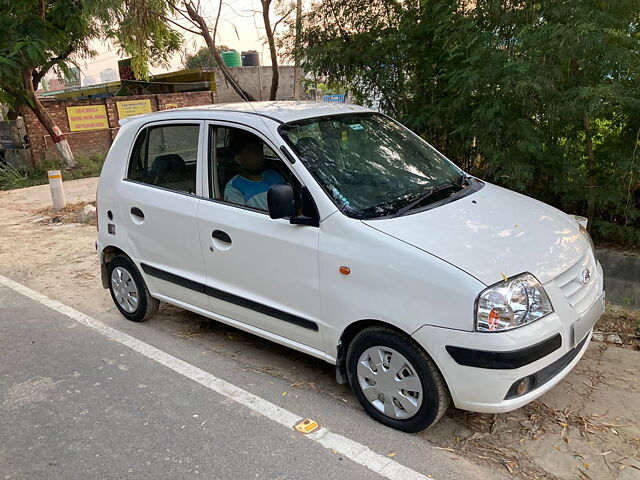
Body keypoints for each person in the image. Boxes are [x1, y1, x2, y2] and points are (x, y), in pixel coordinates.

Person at [224, 133, 284, 210]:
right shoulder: (234, 188)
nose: (260, 158)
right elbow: (239, 217)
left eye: (260, 153)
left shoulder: (275, 175)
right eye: (253, 154)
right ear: (238, 159)